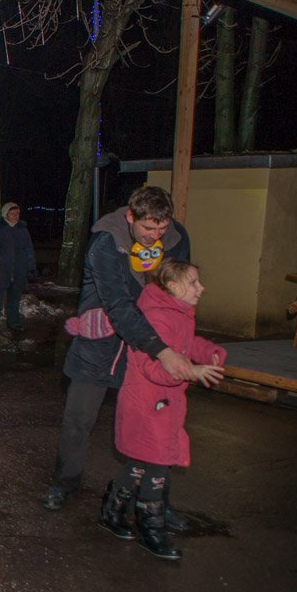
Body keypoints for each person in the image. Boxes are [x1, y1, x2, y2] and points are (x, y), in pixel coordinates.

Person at [41, 186, 219, 513]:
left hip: (145, 351)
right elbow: (119, 305)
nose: (155, 236)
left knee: (159, 425)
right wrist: (162, 351)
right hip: (101, 343)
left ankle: (156, 501)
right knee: (78, 420)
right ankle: (65, 482)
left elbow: (177, 291)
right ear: (130, 216)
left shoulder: (177, 239)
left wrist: (184, 342)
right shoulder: (106, 243)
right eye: (148, 228)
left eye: (161, 228)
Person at [100, 260, 226, 561]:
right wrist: (188, 371)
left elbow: (184, 342)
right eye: (194, 282)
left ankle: (111, 512)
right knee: (156, 465)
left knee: (139, 464)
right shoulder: (157, 317)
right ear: (171, 286)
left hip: (161, 405)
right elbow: (152, 365)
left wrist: (207, 351)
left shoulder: (178, 312)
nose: (201, 288)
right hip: (148, 406)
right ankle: (151, 531)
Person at [0, 202, 37, 332]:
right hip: (1, 270)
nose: (15, 215)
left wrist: (31, 268)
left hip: (19, 269)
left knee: (14, 299)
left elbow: (28, 249)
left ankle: (14, 322)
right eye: (12, 213)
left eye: (17, 213)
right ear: (5, 214)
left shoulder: (22, 229)